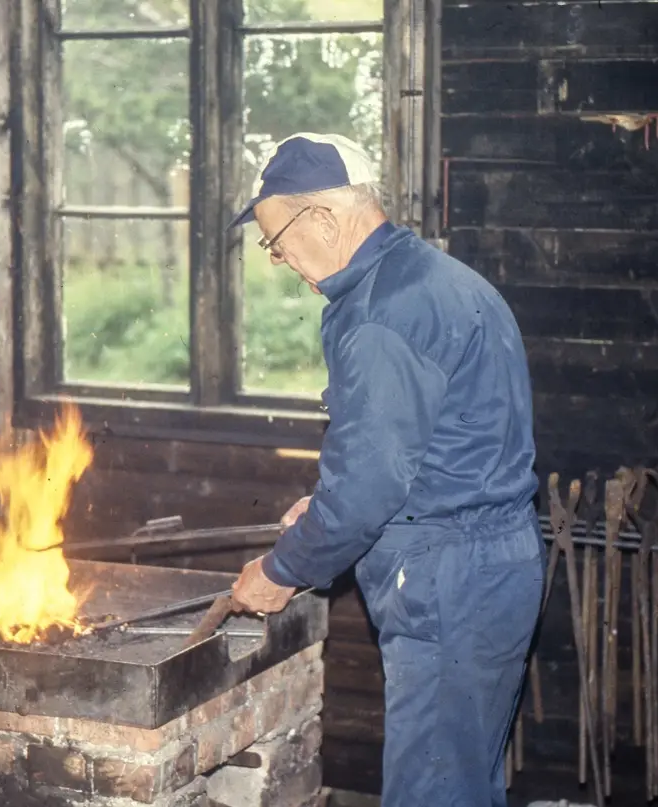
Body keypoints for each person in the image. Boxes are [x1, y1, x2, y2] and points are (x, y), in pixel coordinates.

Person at [227, 132, 546, 807]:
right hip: (492, 564)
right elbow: (429, 447)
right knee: (462, 783)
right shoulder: (438, 278)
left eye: (276, 240)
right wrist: (323, 506)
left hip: (447, 581)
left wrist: (282, 571)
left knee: (433, 793)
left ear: (322, 218)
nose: (280, 259)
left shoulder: (379, 315)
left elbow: (371, 486)